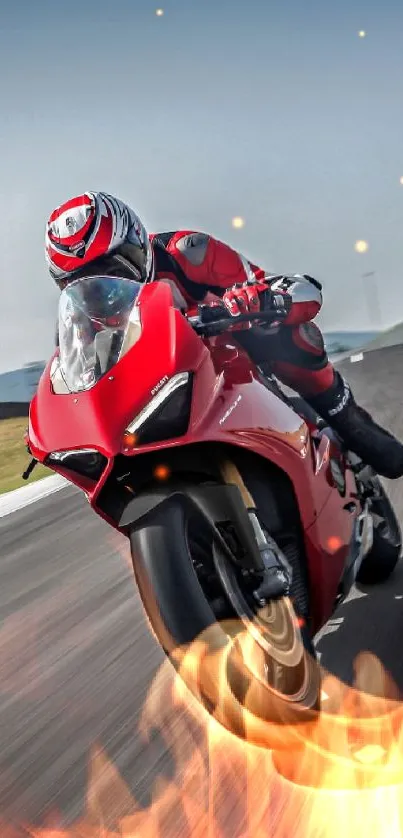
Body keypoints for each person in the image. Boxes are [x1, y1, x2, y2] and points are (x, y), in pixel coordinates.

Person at [45, 191, 403, 479]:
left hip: (231, 352)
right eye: (79, 284)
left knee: (289, 336)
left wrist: (255, 298)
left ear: (136, 245)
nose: (101, 291)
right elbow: (78, 376)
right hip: (160, 390)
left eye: (111, 270)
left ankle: (348, 420)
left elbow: (290, 291)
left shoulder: (188, 253)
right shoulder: (82, 321)